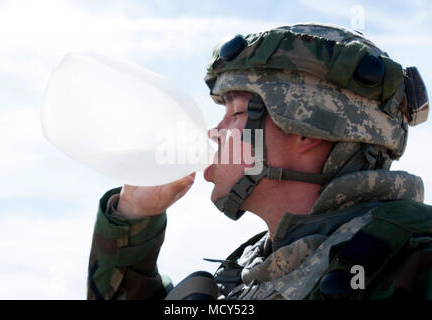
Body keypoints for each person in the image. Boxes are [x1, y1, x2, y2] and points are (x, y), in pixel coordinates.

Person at [87, 23, 432, 300]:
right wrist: (132, 218)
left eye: (235, 112)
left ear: (304, 130)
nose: (214, 132)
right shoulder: (252, 271)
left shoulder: (414, 262)